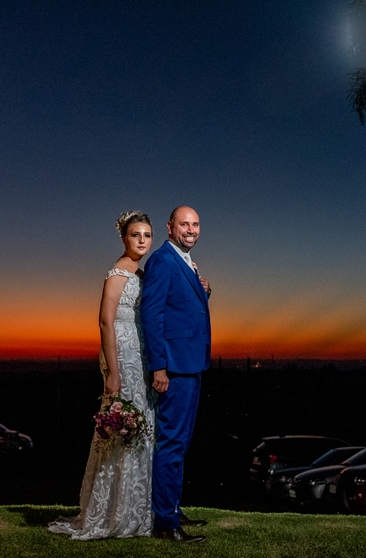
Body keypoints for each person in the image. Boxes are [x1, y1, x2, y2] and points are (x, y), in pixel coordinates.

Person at [49, 211, 158, 540]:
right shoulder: (117, 274)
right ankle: (111, 512)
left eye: (147, 235)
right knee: (120, 429)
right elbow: (105, 322)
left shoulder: (141, 274)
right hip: (120, 358)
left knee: (142, 427)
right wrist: (112, 372)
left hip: (140, 358)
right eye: (135, 234)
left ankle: (137, 508)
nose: (142, 240)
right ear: (124, 238)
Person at [140, 206, 212, 543]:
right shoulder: (162, 260)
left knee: (180, 443)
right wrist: (159, 367)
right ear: (170, 227)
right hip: (174, 367)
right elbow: (152, 315)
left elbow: (184, 307)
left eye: (196, 224)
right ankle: (164, 522)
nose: (191, 229)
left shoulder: (185, 261)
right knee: (171, 442)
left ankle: (172, 508)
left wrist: (204, 291)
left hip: (192, 364)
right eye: (184, 224)